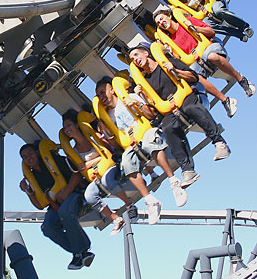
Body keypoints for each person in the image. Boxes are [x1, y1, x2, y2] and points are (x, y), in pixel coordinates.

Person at [128, 43, 232, 187]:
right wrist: (141, 99)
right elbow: (152, 113)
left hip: (187, 97)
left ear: (146, 53)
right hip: (170, 110)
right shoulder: (146, 83)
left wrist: (175, 71)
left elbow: (193, 77)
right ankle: (188, 170)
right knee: (168, 128)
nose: (135, 59)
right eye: (132, 59)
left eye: (136, 55)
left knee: (191, 108)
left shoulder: (168, 62)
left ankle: (219, 142)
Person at [95, 77, 188, 211]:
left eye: (103, 92)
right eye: (98, 95)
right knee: (126, 163)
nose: (101, 96)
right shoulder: (108, 116)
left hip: (145, 133)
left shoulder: (129, 96)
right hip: (131, 144)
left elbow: (151, 115)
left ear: (112, 90)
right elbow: (116, 146)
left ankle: (173, 180)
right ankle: (150, 200)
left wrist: (136, 104)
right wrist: (106, 133)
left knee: (149, 144)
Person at [153, 8, 255, 113]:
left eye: (162, 19)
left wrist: (195, 28)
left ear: (169, 16)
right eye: (158, 23)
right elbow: (181, 59)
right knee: (196, 77)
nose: (161, 23)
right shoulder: (170, 41)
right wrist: (171, 53)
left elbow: (211, 32)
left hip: (209, 47)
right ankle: (225, 100)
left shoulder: (187, 21)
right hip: (196, 61)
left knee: (212, 56)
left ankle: (242, 80)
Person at [61, 109, 138, 235]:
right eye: (65, 128)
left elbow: (106, 153)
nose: (67, 129)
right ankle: (115, 218)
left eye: (69, 125)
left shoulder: (90, 136)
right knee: (89, 195)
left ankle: (129, 205)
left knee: (108, 182)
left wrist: (89, 163)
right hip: (96, 176)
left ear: (76, 125)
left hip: (110, 167)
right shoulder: (73, 151)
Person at [19, 143, 95, 270]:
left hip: (74, 194)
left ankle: (81, 251)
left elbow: (77, 173)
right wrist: (28, 191)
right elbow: (39, 205)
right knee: (47, 227)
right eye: (25, 157)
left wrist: (66, 192)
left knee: (65, 212)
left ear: (37, 153)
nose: (29, 158)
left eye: (30, 154)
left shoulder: (52, 161)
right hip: (55, 206)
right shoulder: (33, 177)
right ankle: (80, 253)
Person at [167, 0, 253, 42]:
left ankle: (244, 26)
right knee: (209, 27)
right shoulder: (179, 2)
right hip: (203, 14)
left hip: (212, 4)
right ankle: (239, 34)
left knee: (218, 10)